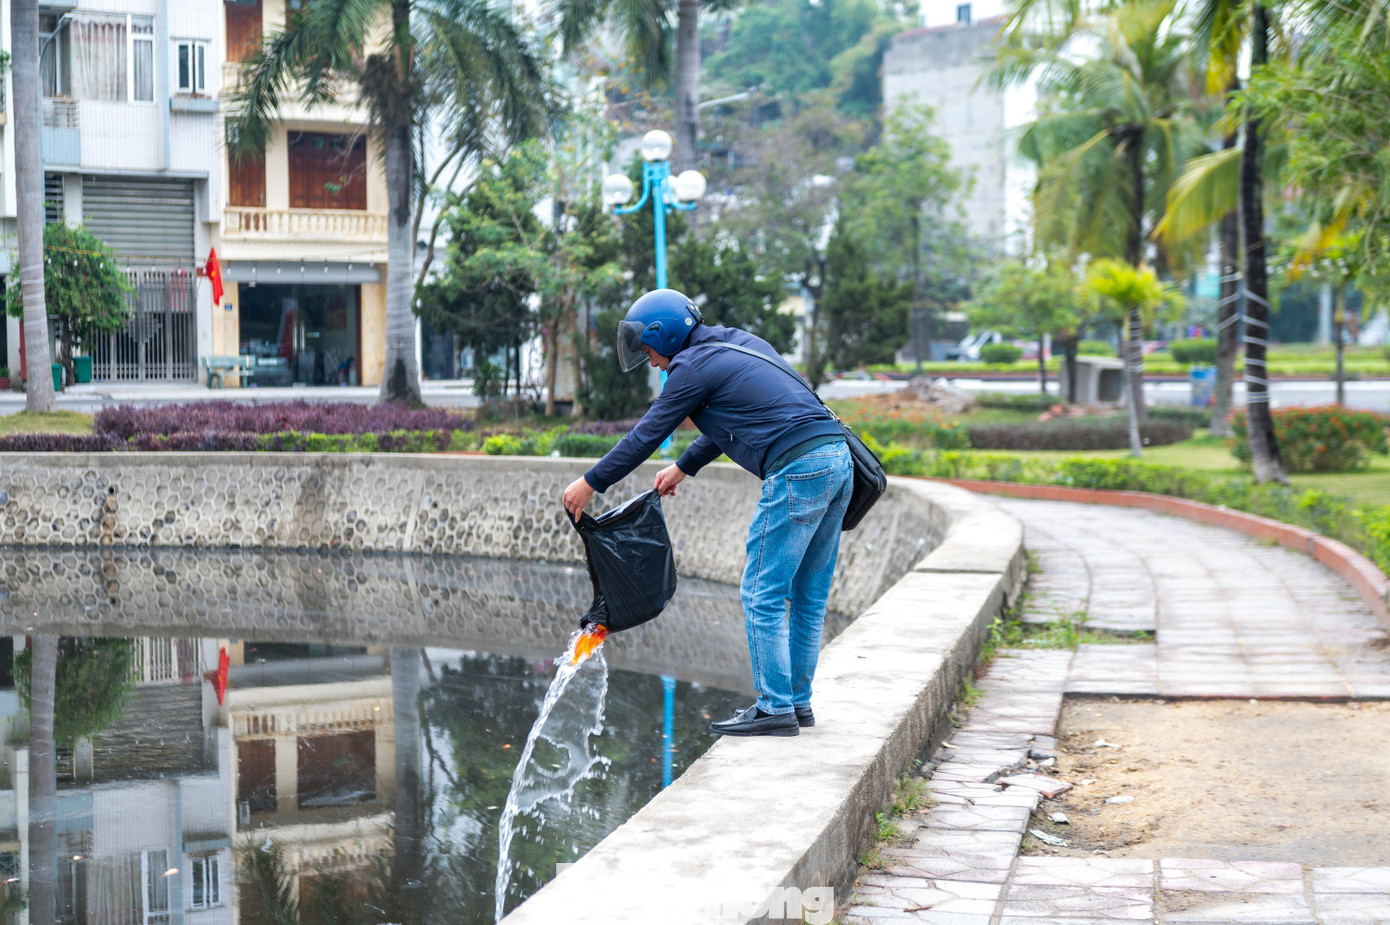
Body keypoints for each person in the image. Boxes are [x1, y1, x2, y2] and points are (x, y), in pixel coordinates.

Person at [562, 288, 852, 738]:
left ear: (665, 335)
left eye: (649, 350)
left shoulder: (691, 366)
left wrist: (591, 482)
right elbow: (739, 421)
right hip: (837, 459)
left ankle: (775, 707)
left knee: (763, 591)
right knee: (808, 596)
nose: (651, 361)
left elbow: (647, 434)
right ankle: (796, 702)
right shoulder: (739, 343)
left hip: (798, 469)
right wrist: (683, 467)